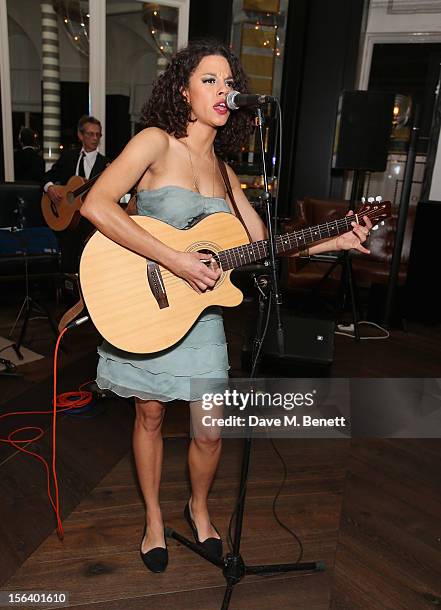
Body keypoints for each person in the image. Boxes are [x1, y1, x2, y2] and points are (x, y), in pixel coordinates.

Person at [80, 40, 372, 573]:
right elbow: (95, 204)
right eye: (209, 80)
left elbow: (263, 247)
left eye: (227, 81)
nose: (223, 90)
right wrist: (177, 259)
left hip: (201, 319)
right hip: (147, 302)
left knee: (209, 429)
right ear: (184, 91)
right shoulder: (154, 143)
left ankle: (198, 507)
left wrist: (335, 241)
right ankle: (151, 519)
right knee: (148, 415)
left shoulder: (226, 172)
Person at [42, 115, 110, 271]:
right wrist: (50, 188)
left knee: (90, 266)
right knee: (67, 265)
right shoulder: (68, 157)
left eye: (98, 134)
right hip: (66, 222)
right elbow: (47, 177)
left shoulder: (105, 164)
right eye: (90, 134)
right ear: (80, 135)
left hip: (91, 224)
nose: (95, 138)